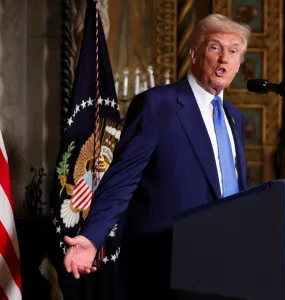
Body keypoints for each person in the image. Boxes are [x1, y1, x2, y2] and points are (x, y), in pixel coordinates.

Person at [63, 13, 252, 299]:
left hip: (224, 266)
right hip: (165, 267)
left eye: (233, 51)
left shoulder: (234, 119)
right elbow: (121, 181)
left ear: (239, 64)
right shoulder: (158, 105)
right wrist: (91, 237)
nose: (224, 58)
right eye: (215, 47)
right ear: (194, 53)